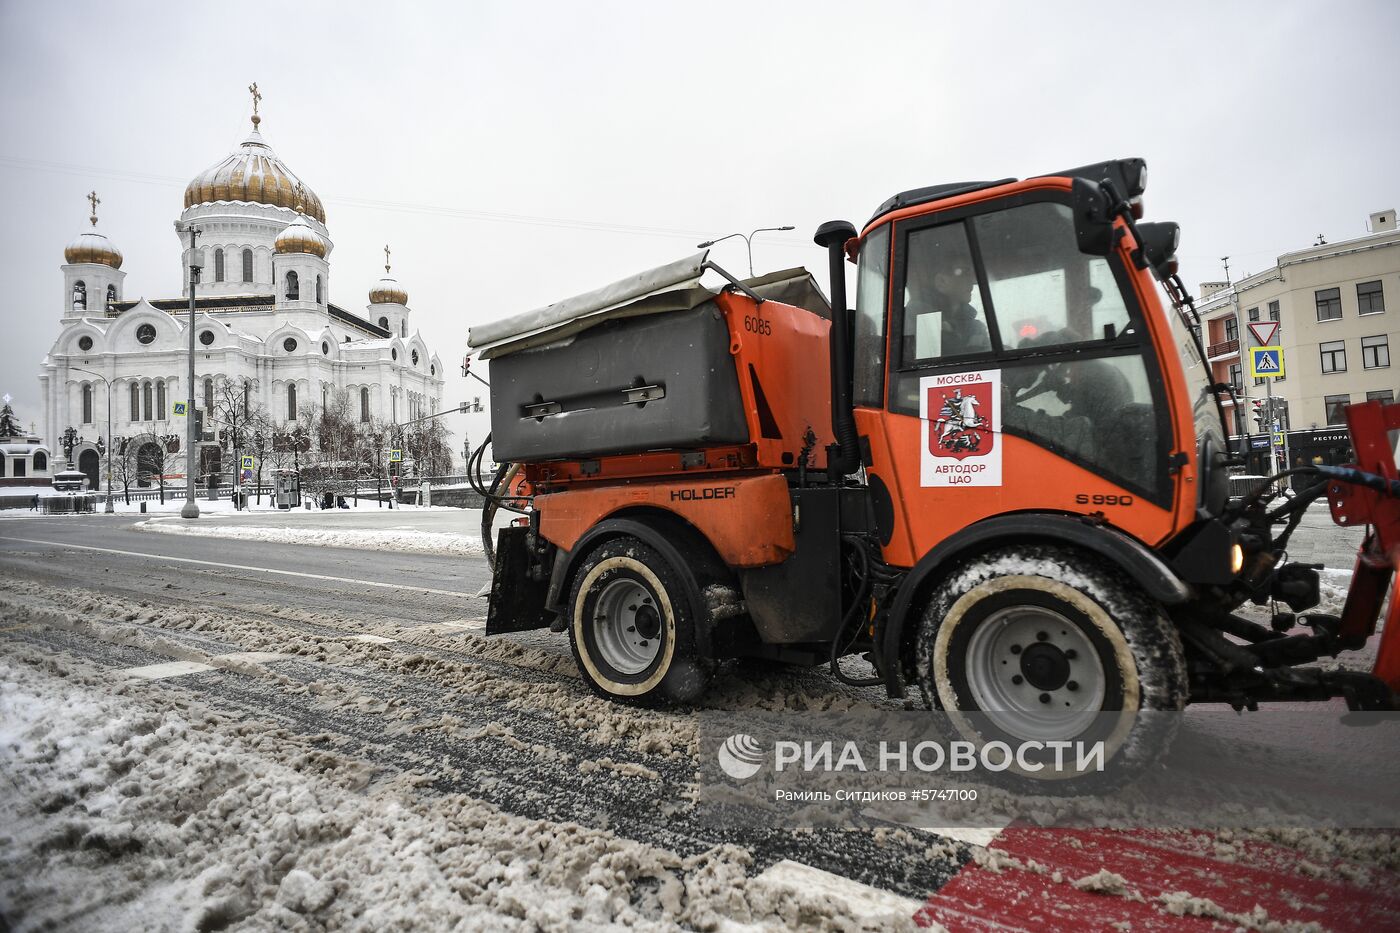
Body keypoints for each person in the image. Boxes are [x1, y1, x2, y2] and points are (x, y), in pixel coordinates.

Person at [904, 261, 991, 360]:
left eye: (971, 274)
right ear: (942, 281)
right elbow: (926, 368)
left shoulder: (976, 328)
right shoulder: (918, 318)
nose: (971, 280)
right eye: (964, 272)